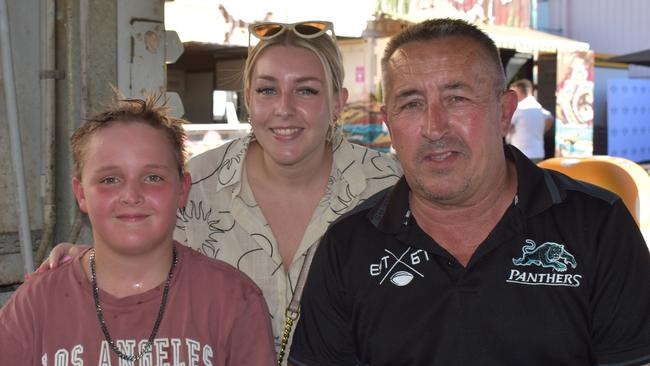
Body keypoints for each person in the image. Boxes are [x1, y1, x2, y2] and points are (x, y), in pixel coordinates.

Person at [289, 18, 650, 366]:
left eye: (457, 98)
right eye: (411, 103)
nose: (434, 127)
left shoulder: (598, 226)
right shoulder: (348, 245)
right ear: (390, 124)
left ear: (505, 112)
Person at [38, 21, 402, 363]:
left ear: (338, 102)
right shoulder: (196, 182)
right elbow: (141, 246)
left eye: (306, 90)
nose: (284, 108)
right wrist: (92, 257)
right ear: (248, 98)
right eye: (267, 90)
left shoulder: (390, 187)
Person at [0, 95, 276, 365]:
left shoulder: (233, 300)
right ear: (81, 194)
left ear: (182, 189)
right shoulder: (35, 305)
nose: (131, 195)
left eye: (152, 177)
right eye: (110, 179)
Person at [507, 78, 553, 163]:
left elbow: (506, 125)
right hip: (538, 153)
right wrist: (542, 130)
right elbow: (549, 117)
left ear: (519, 91)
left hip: (521, 153)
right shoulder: (538, 107)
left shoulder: (519, 108)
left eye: (513, 92)